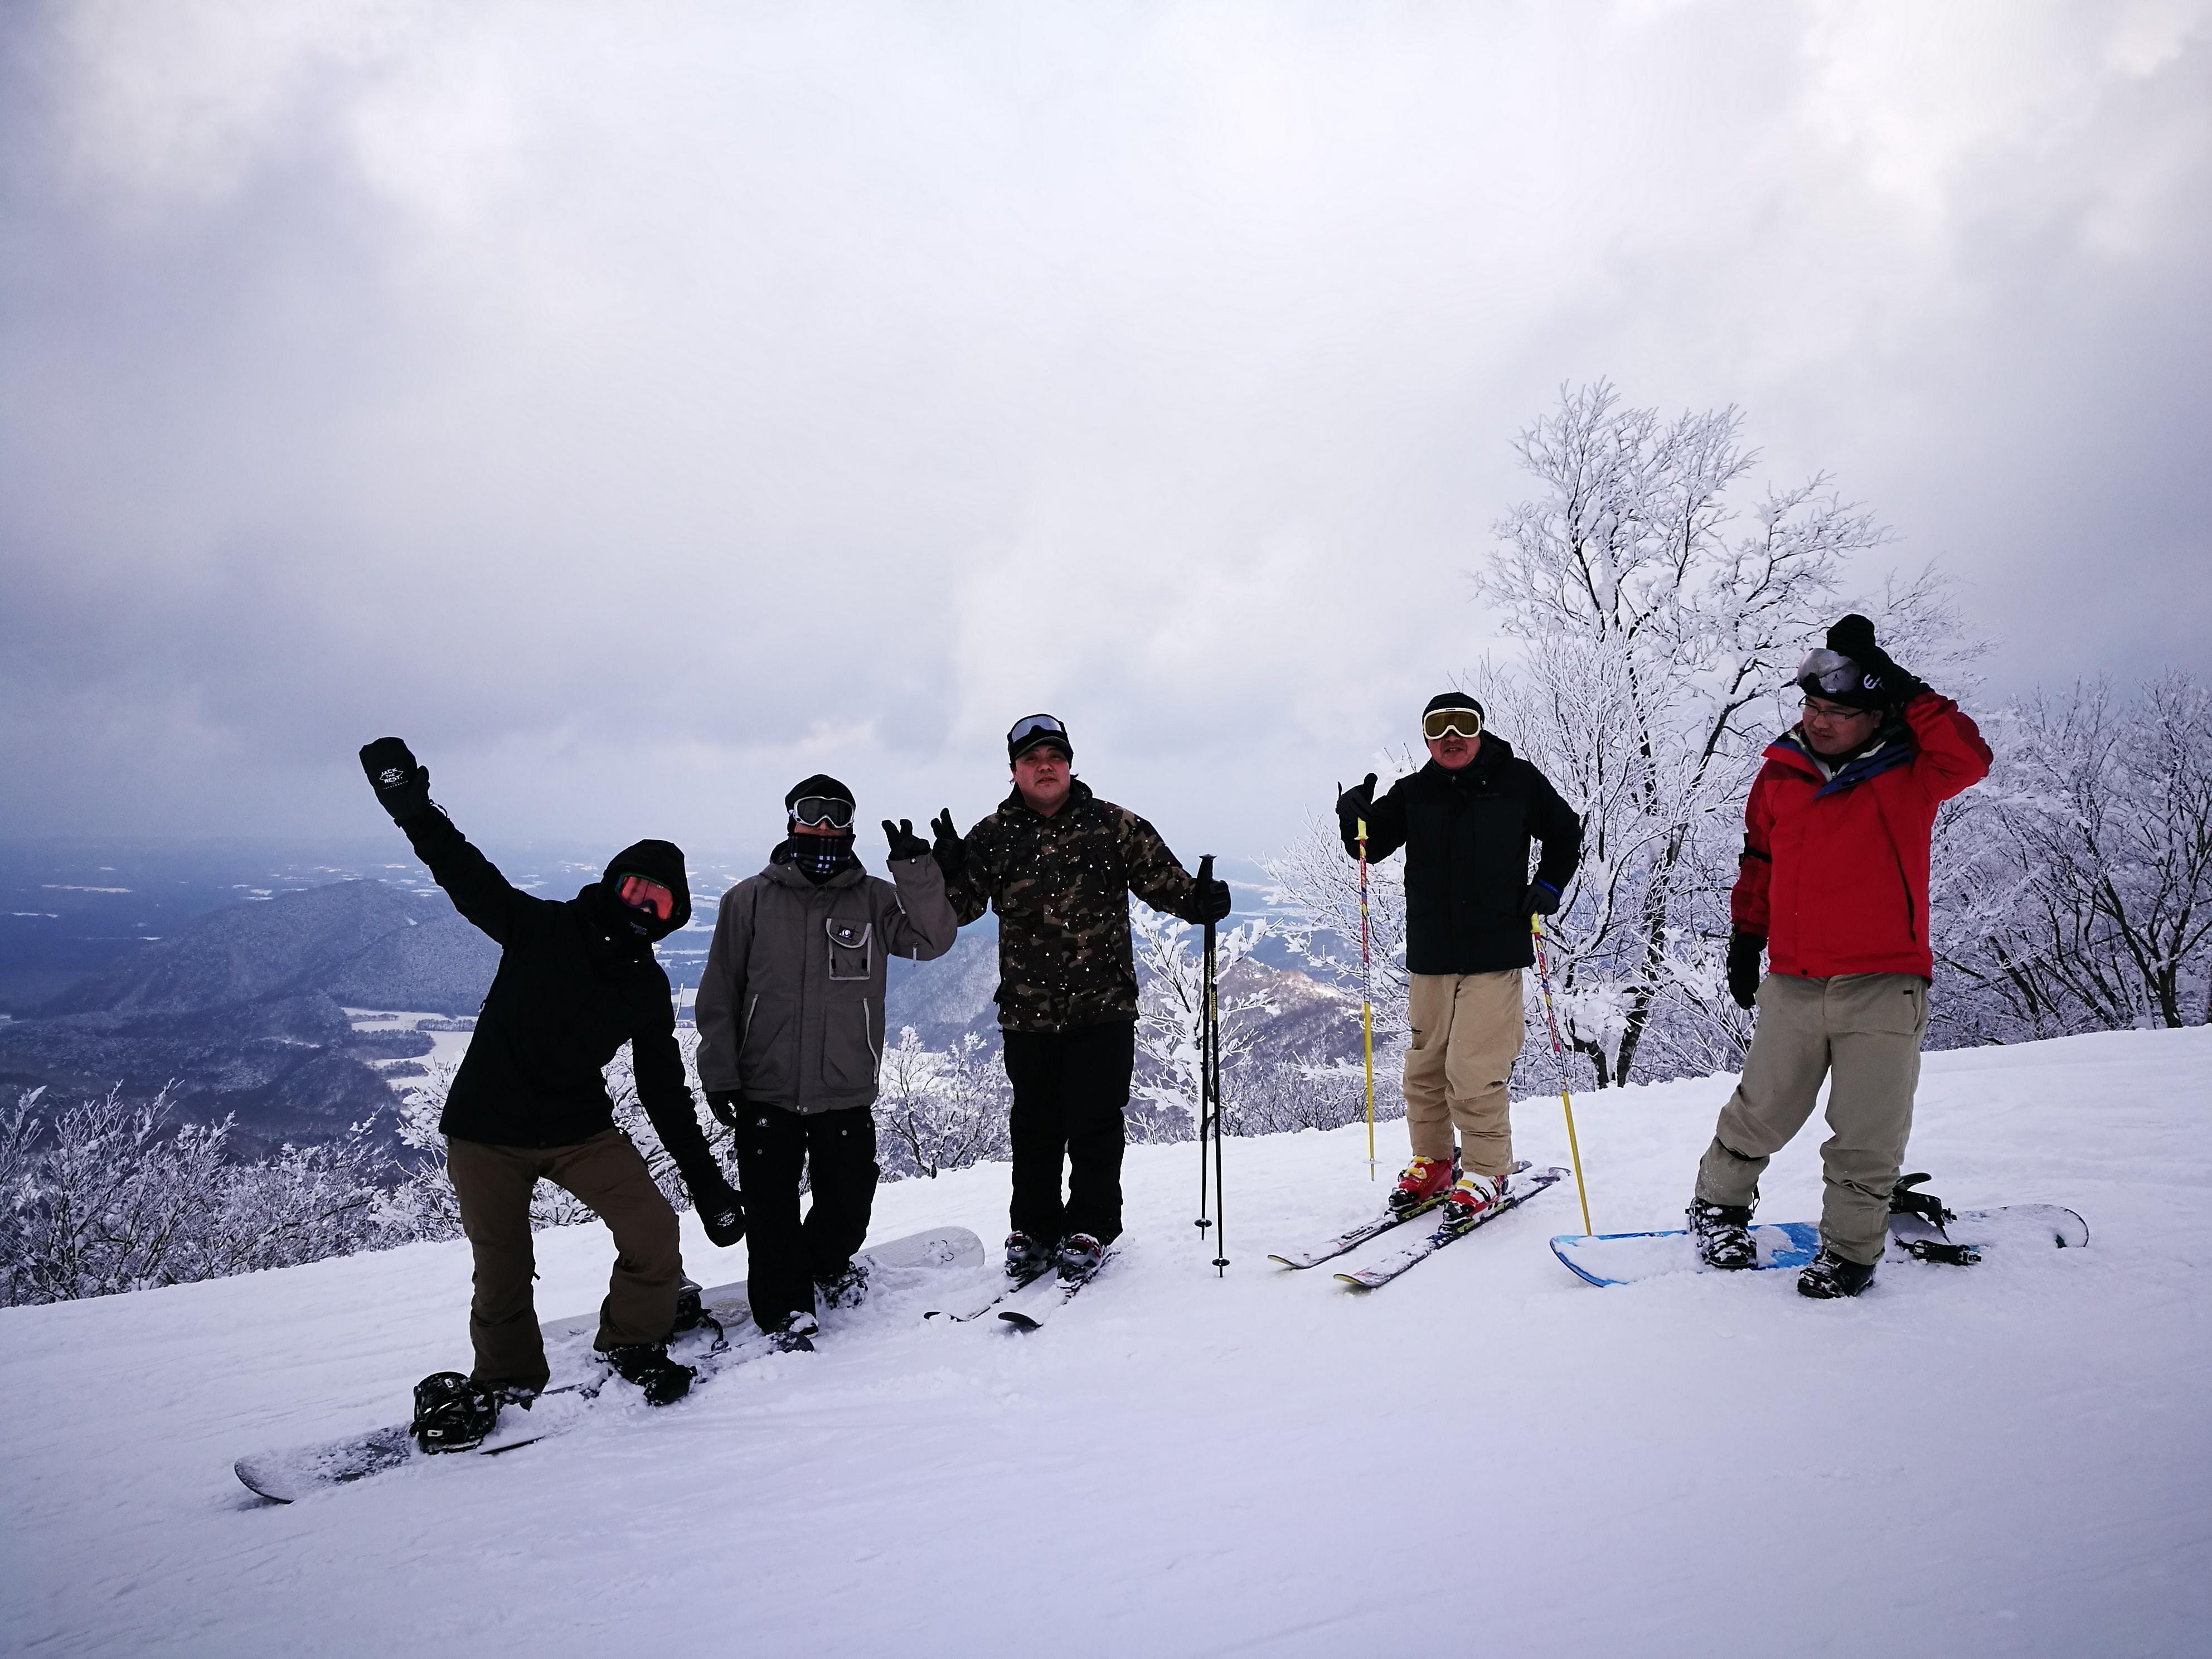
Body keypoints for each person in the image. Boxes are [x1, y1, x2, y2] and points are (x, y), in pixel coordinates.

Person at [357, 738, 743, 1448]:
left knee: (653, 1231)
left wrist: (708, 1183)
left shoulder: (645, 986)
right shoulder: (540, 929)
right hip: (485, 1131)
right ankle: (508, 1378)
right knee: (502, 1268)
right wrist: (412, 813)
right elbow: (465, 875)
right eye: (634, 888)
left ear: (673, 916)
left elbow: (664, 1092)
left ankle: (631, 1338)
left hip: (578, 1131)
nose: (643, 905)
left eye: (658, 900)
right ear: (612, 884)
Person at [1687, 614, 1991, 1298]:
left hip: (1883, 983)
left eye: (1837, 711)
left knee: (1865, 1129)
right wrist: (1745, 935)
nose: (1819, 721)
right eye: (1812, 707)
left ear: (1875, 713)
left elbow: (1970, 758)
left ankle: (1850, 1250)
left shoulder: (1911, 772)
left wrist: (1907, 685)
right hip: (1794, 979)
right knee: (1760, 1111)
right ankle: (1718, 1207)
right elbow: (1758, 860)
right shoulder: (1779, 774)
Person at [931, 714, 1231, 1284]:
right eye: (1031, 759)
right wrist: (941, 871)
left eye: (1054, 756)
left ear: (1068, 763)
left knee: (1094, 1120)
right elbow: (957, 912)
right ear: (1015, 770)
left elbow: (1165, 884)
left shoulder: (1113, 826)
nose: (1044, 766)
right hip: (1026, 1012)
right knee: (1034, 1126)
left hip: (1103, 1007)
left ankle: (1092, 1226)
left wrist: (1201, 902)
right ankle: (1034, 1228)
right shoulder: (993, 834)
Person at [695, 775, 958, 1351]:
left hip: (844, 1085)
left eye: (837, 815)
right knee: (770, 1213)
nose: (823, 826)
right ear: (790, 819)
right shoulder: (748, 899)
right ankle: (785, 1310)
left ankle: (817, 1263)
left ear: (851, 826)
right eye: (811, 813)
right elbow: (719, 994)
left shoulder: (874, 897)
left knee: (847, 1208)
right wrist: (719, 1073)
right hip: (766, 1086)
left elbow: (931, 941)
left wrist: (916, 873)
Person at [1337, 692, 1582, 1228]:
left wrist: (1548, 885)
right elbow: (1369, 847)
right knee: (1426, 1065)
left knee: (1473, 1066)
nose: (1451, 737)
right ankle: (1435, 1162)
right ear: (1426, 738)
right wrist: (1352, 817)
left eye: (1462, 725)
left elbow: (1566, 834)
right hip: (1432, 951)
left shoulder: (1518, 782)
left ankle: (1488, 1170)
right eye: (1438, 727)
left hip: (1496, 948)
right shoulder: (1415, 792)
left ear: (1480, 730)